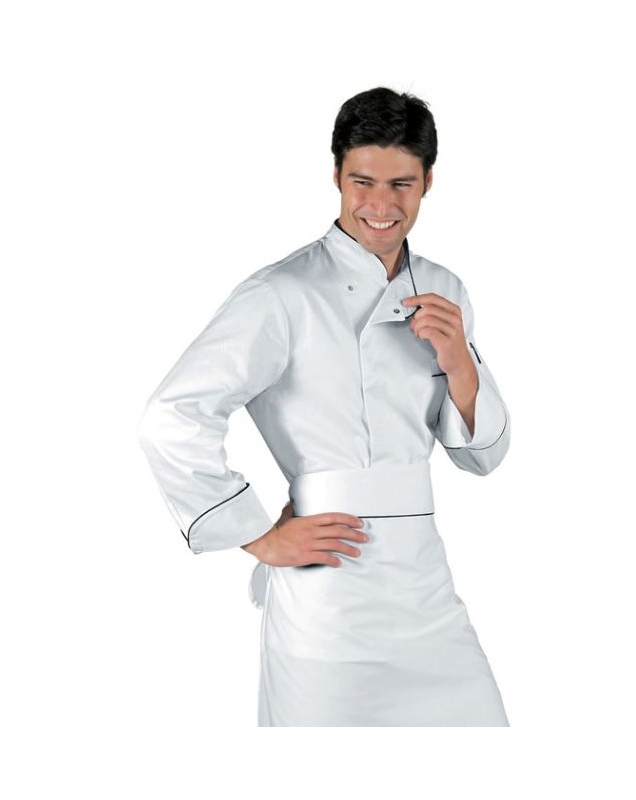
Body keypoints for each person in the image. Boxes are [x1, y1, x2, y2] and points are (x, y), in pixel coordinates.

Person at [137, 87, 512, 726]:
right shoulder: (281, 293)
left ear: (428, 182)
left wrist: (460, 364)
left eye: (401, 184)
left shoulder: (443, 289)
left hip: (425, 588)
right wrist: (257, 535)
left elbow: (482, 459)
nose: (381, 206)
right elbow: (171, 416)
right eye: (363, 182)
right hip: (329, 596)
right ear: (336, 174)